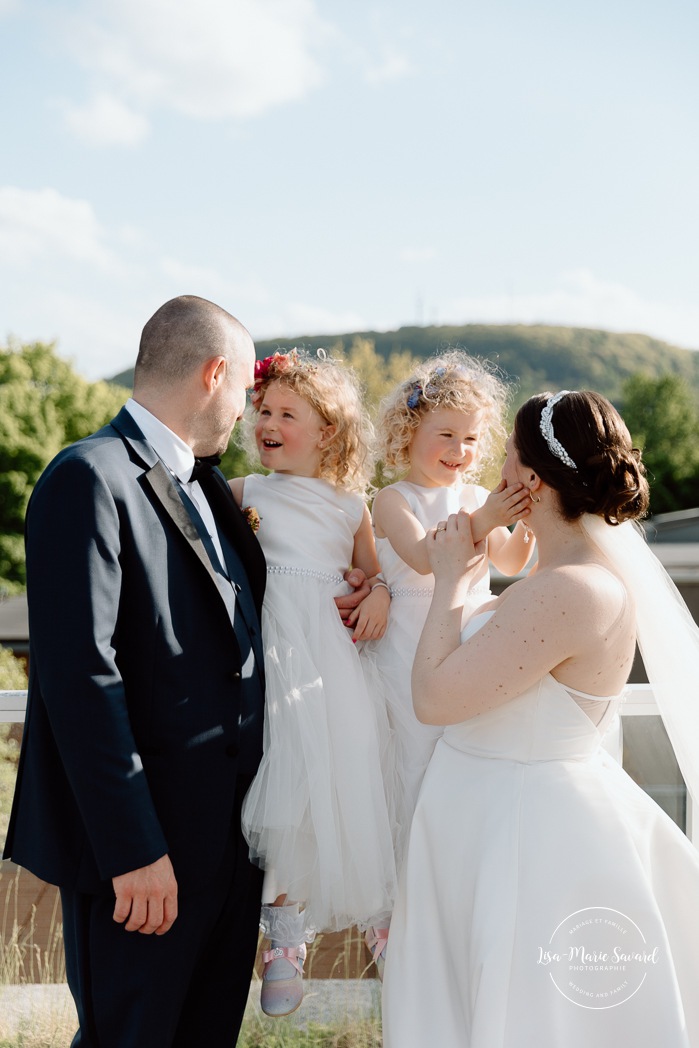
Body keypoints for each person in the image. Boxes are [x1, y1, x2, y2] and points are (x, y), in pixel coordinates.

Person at [2, 296, 366, 1048]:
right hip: (146, 862)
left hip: (230, 855)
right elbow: (81, 679)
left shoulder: (211, 489)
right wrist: (132, 852)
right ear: (215, 375)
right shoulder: (89, 477)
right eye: (246, 395)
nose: (247, 414)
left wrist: (371, 586)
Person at [382, 390, 699, 1047]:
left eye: (503, 458)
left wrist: (448, 580)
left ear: (529, 478)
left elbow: (435, 699)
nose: (491, 473)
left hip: (523, 833)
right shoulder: (555, 580)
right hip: (485, 819)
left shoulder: (571, 589)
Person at [229, 349, 397, 1017]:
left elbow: (373, 574)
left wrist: (378, 590)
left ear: (327, 429)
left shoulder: (350, 506)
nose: (267, 422)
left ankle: (381, 924)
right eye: (262, 410)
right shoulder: (242, 493)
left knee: (346, 778)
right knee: (288, 792)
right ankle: (282, 938)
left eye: (286, 414)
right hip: (271, 655)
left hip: (330, 659)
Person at [363, 353, 533, 974]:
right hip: (410, 648)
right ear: (409, 435)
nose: (461, 450)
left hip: (472, 647)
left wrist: (528, 520)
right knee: (412, 767)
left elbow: (509, 562)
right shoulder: (391, 501)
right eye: (446, 435)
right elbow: (429, 556)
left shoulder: (478, 497)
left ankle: (461, 902)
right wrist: (488, 516)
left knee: (465, 766)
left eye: (471, 438)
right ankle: (402, 912)